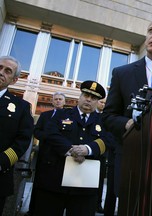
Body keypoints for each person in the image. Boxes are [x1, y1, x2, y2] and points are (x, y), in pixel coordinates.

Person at [102, 15, 152, 199]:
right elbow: (108, 117)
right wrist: (128, 124)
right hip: (131, 165)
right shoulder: (122, 74)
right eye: (151, 30)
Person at [33, 80, 110, 216]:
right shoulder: (60, 114)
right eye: (86, 95)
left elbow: (109, 140)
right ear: (80, 96)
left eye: (94, 98)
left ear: (98, 101)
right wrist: (71, 150)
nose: (89, 100)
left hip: (85, 188)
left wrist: (88, 149)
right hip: (54, 182)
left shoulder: (103, 121)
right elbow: (50, 134)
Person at [0, 56, 34, 215]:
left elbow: (23, 141)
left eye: (7, 71)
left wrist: (2, 161)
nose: (2, 72)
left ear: (13, 80)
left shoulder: (21, 107)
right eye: (0, 67)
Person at [25, 92, 66, 216]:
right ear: (52, 102)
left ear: (64, 102)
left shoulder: (69, 116)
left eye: (60, 99)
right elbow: (37, 131)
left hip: (60, 156)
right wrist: (48, 137)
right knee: (38, 184)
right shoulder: (45, 115)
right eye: (56, 99)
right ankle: (33, 210)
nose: (58, 101)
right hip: (44, 155)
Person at [95, 97, 106, 213]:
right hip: (89, 153)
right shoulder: (91, 115)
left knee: (100, 181)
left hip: (101, 154)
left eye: (104, 103)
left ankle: (97, 203)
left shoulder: (106, 117)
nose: (102, 104)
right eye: (101, 102)